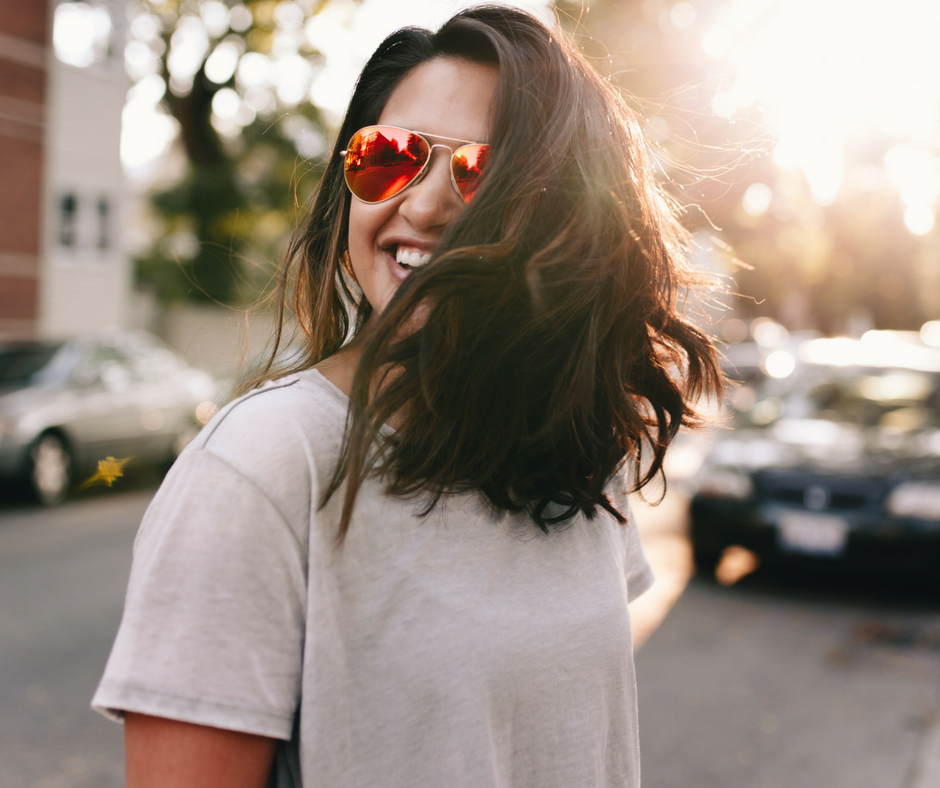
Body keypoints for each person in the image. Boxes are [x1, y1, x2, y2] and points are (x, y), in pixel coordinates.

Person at [93, 5, 723, 787]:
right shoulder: (260, 469)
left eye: (484, 173)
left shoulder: (579, 449)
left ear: (567, 216)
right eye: (389, 157)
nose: (422, 207)